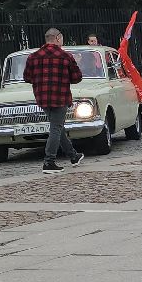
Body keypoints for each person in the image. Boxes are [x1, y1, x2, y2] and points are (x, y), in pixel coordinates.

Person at [25, 27, 84, 174]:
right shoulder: (65, 56)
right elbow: (77, 78)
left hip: (42, 97)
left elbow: (27, 77)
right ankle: (49, 162)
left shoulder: (33, 57)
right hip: (60, 96)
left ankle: (73, 155)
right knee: (56, 128)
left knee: (57, 127)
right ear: (58, 38)